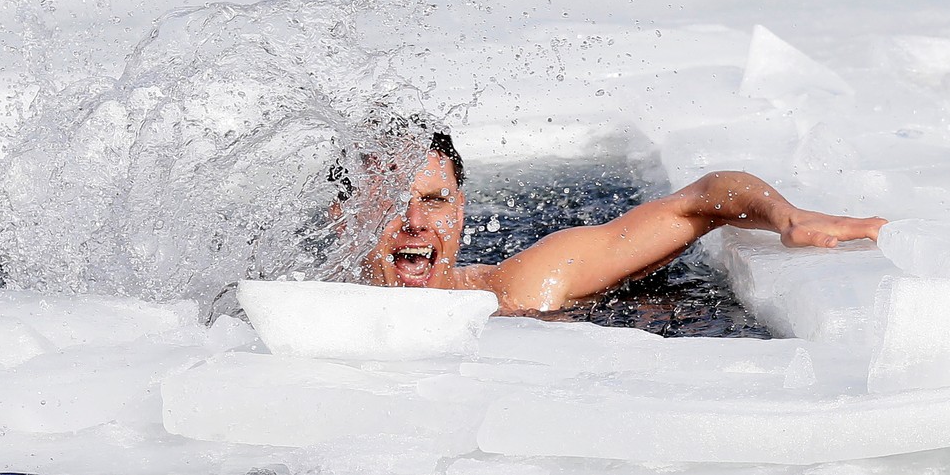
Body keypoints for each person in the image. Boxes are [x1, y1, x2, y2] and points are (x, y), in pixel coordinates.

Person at [339, 131, 887, 314]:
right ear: (344, 218)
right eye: (388, 202)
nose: (414, 222)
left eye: (434, 200)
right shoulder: (288, 306)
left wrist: (785, 217)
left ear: (460, 210)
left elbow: (698, 200)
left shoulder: (522, 288)